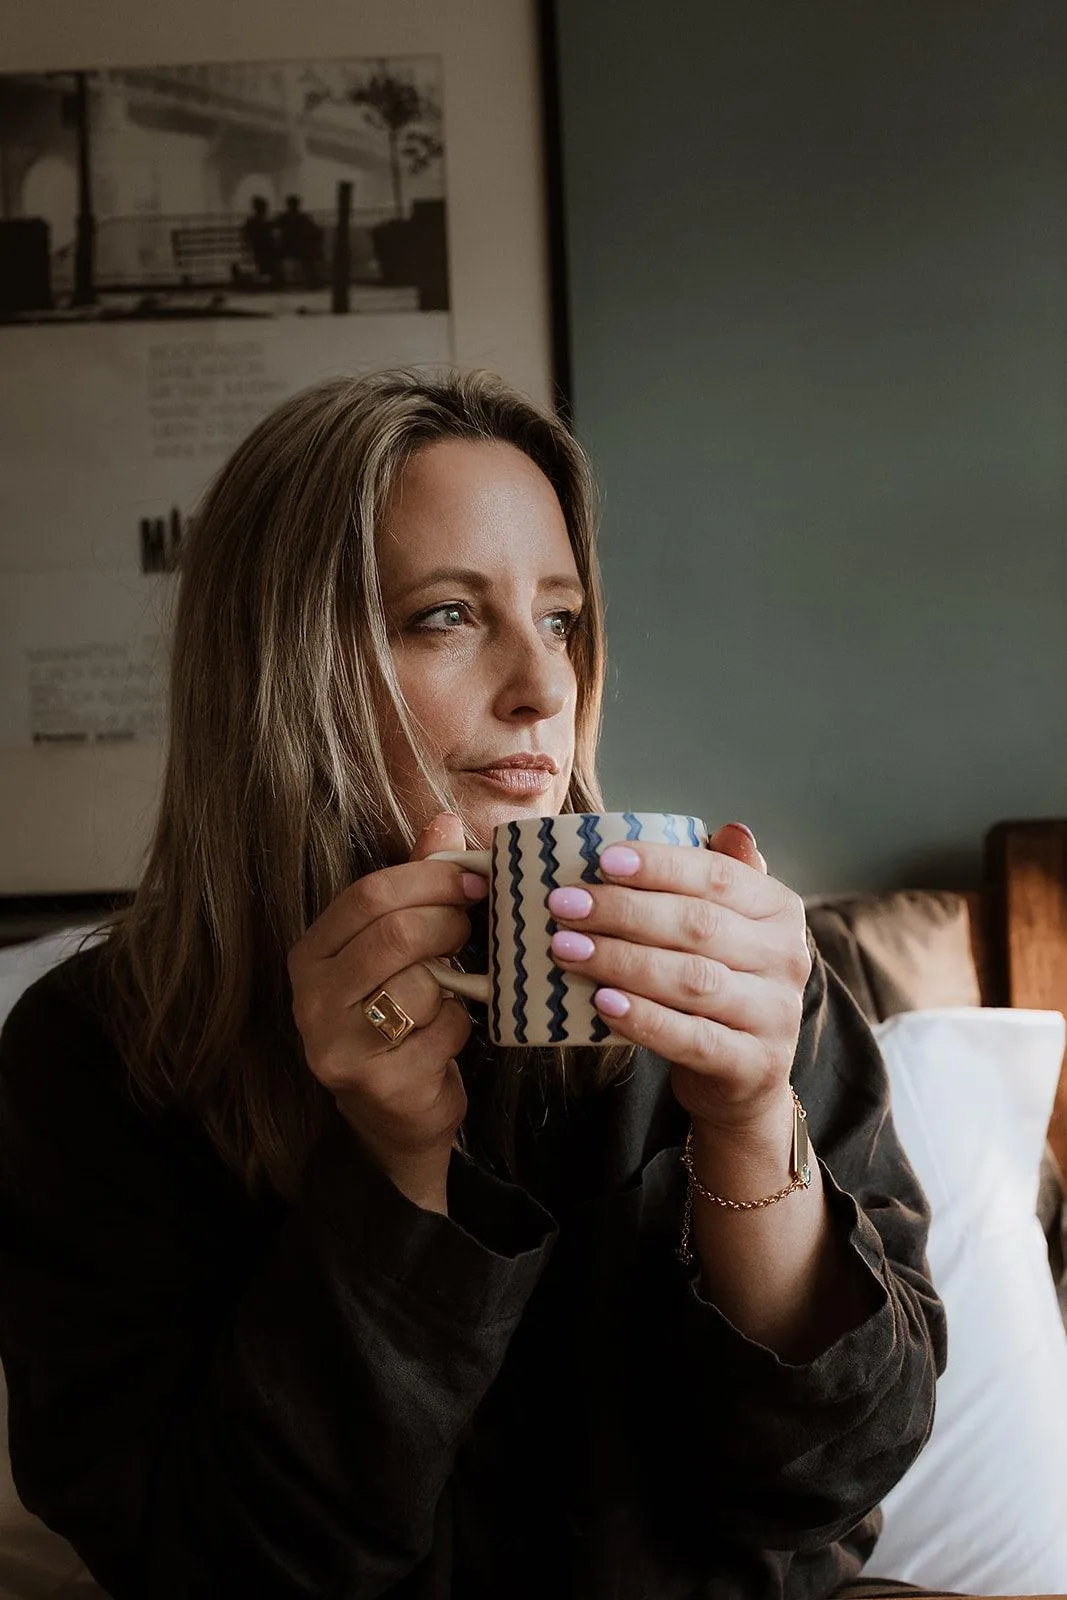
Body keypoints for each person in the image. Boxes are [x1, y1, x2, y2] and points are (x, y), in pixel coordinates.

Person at [0, 369, 946, 1599]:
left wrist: (752, 1119)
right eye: (448, 615)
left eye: (559, 618)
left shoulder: (735, 970)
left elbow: (838, 1473)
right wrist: (395, 1166)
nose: (544, 685)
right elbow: (217, 1564)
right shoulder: (102, 1049)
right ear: (284, 666)